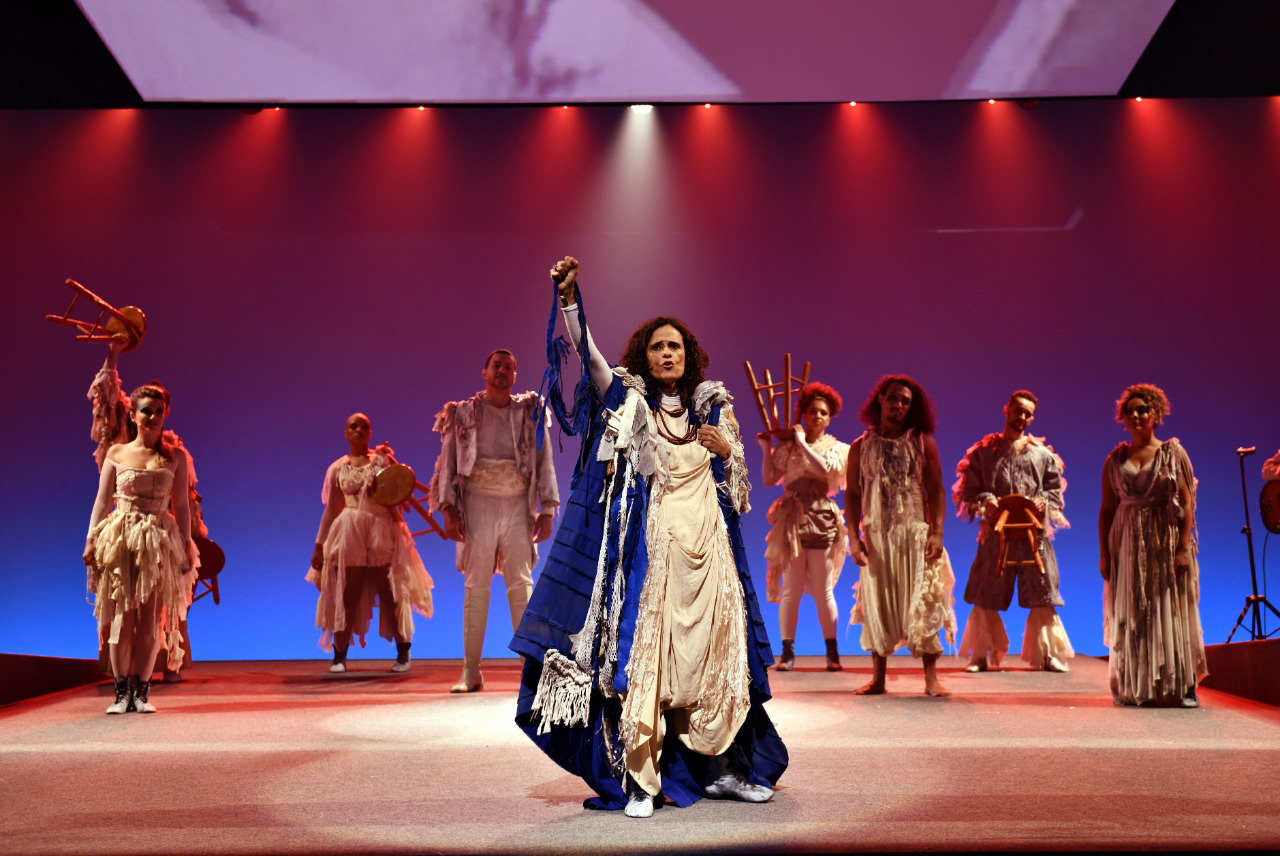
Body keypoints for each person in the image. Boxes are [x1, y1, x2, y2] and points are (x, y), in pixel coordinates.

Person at [511, 256, 787, 818]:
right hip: (654, 559)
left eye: (675, 347)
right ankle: (642, 780)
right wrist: (571, 302)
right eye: (658, 346)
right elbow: (590, 360)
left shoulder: (714, 412)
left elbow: (737, 495)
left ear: (688, 356)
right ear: (645, 354)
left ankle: (723, 771)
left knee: (717, 662)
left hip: (710, 561)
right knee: (649, 665)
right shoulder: (631, 402)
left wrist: (727, 453)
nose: (667, 354)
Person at [430, 350, 559, 692]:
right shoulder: (462, 413)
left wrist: (547, 508)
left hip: (516, 502)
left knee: (521, 583)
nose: (502, 371)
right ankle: (470, 670)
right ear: (484, 371)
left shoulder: (530, 411)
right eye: (496, 366)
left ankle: (531, 671)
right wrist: (448, 507)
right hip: (477, 502)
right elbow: (448, 461)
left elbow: (544, 459)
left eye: (509, 367)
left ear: (515, 375)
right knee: (476, 585)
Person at [89, 338, 209, 681]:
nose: (152, 414)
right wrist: (113, 354)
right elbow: (108, 397)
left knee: (159, 609)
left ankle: (160, 670)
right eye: (146, 408)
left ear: (167, 411)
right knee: (122, 612)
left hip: (159, 531)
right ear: (133, 411)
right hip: (125, 530)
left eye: (160, 407)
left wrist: (186, 538)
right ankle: (123, 683)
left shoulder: (174, 452)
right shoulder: (121, 443)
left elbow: (184, 499)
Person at [845, 375, 957, 696]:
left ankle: (931, 679)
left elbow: (936, 490)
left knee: (924, 599)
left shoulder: (923, 443)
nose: (898, 405)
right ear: (880, 399)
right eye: (893, 398)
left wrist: (937, 533)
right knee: (877, 602)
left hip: (915, 534)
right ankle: (878, 679)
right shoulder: (860, 447)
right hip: (877, 537)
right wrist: (853, 537)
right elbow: (852, 493)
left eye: (905, 401)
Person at [1098, 383, 1206, 707]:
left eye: (1142, 409)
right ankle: (1141, 685)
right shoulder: (1114, 460)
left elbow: (1187, 503)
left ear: (1156, 414)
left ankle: (1183, 685)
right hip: (1127, 542)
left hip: (1163, 540)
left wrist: (1183, 547)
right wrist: (1104, 555)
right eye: (1129, 410)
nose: (1135, 415)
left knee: (1169, 607)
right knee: (1136, 611)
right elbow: (1106, 510)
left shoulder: (1172, 453)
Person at [953, 390, 1074, 673]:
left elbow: (1053, 492)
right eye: (1018, 410)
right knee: (986, 589)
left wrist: (1043, 501)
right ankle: (980, 655)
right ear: (1006, 409)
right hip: (997, 533)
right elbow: (969, 491)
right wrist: (987, 500)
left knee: (1043, 589)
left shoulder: (1042, 455)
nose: (1022, 417)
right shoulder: (983, 453)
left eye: (1028, 414)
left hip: (1032, 533)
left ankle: (1048, 654)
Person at [309, 413, 434, 673]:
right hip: (349, 529)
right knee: (347, 592)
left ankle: (403, 652)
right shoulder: (337, 468)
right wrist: (319, 544)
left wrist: (392, 469)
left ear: (370, 432)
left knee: (390, 591)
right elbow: (331, 509)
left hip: (380, 527)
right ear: (345, 433)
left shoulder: (381, 461)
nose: (358, 430)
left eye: (364, 426)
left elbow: (400, 489)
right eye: (353, 426)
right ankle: (339, 655)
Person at [757, 382, 849, 671]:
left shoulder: (835, 448)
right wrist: (766, 448)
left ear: (830, 417)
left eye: (823, 412)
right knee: (791, 589)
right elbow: (769, 479)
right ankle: (787, 653)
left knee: (824, 590)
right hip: (792, 521)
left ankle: (832, 653)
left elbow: (825, 470)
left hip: (821, 519)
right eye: (812, 411)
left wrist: (801, 442)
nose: (817, 416)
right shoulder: (788, 448)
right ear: (804, 415)